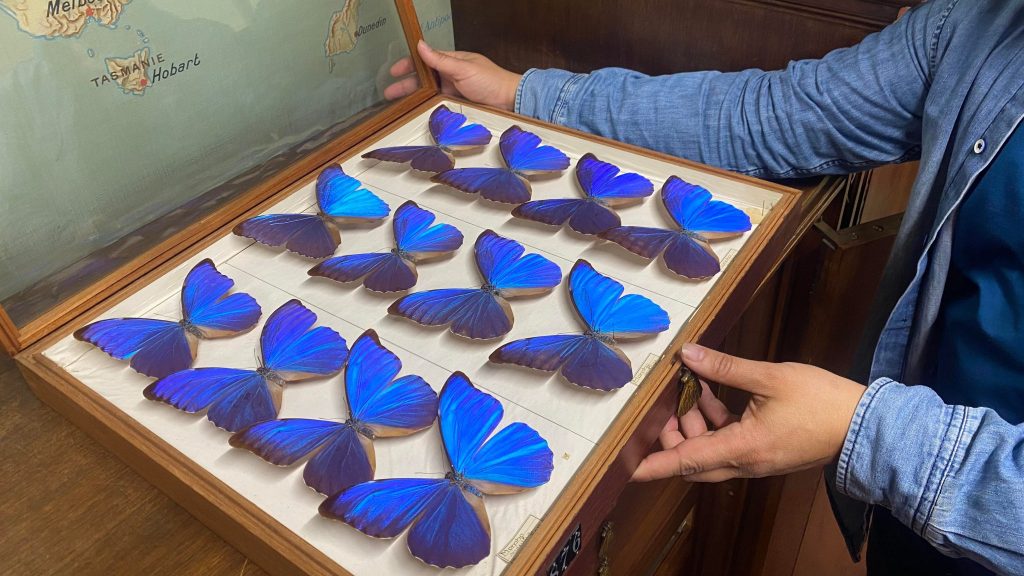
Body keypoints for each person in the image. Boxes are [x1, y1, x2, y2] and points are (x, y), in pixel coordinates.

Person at [387, 2, 1024, 574]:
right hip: (912, 524)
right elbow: (771, 116)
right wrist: (525, 95)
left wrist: (870, 433)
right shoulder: (977, 25)